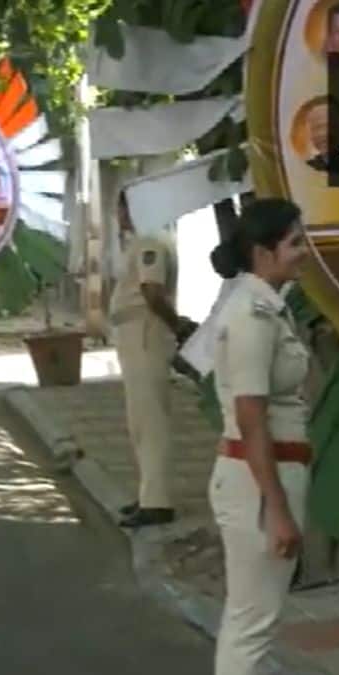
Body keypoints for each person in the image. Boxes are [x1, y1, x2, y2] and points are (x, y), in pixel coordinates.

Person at [207, 198, 312, 675]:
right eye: (295, 242)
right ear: (264, 252)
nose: (304, 251)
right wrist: (277, 508)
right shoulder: (252, 315)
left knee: (247, 621)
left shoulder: (267, 306)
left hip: (263, 476)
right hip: (258, 482)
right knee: (251, 627)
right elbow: (252, 417)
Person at [110, 191, 196, 529]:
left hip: (144, 332)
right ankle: (148, 493)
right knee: (140, 420)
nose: (119, 216)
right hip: (135, 333)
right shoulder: (145, 240)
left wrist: (176, 326)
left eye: (122, 208)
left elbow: (152, 292)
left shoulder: (151, 241)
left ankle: (157, 501)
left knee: (150, 420)